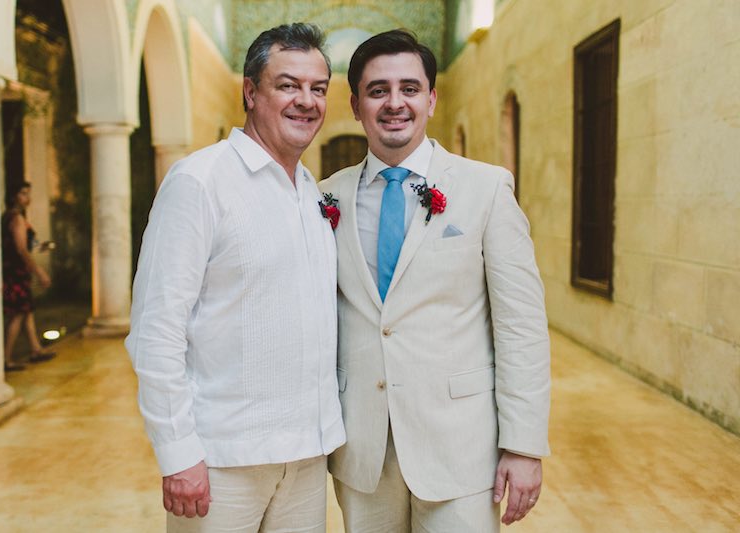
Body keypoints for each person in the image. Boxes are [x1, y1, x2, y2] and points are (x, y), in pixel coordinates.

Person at [318, 30, 551, 532]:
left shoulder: (485, 189)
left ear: (431, 98)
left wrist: (524, 445)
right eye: (378, 90)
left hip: (461, 449)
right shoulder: (324, 199)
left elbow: (522, 327)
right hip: (362, 450)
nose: (395, 103)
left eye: (409, 88)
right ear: (356, 104)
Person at [125, 23, 345, 533]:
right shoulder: (199, 181)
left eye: (317, 88)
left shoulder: (312, 193)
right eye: (287, 84)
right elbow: (156, 330)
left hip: (307, 457)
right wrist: (178, 453)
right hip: (223, 461)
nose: (306, 101)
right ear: (250, 91)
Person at [1, 181, 56, 372]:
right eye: (23, 193)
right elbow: (21, 250)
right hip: (15, 273)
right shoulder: (15, 218)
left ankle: (35, 350)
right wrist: (39, 271)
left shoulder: (12, 217)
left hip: (16, 271)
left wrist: (41, 247)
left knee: (26, 311)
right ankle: (6, 359)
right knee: (17, 313)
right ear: (14, 195)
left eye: (28, 193)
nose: (28, 197)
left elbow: (25, 246)